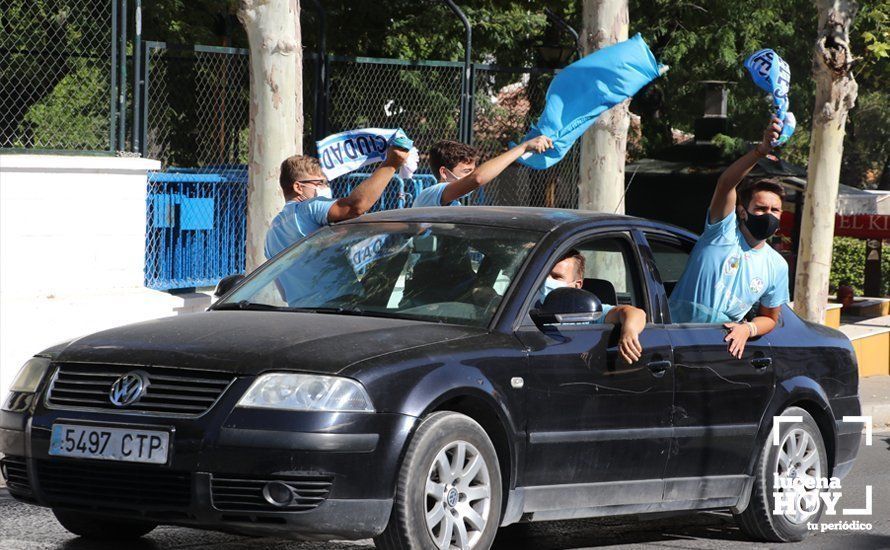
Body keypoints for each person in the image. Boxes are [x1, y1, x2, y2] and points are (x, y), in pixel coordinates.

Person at [668, 117, 789, 358]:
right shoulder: (721, 232)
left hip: (718, 349)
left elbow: (770, 318)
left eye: (774, 211)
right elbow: (725, 184)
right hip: (673, 339)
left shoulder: (777, 266)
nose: (768, 215)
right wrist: (759, 151)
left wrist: (748, 329)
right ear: (742, 211)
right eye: (761, 208)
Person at [264, 146, 409, 259]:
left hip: (298, 299)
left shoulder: (271, 236)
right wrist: (392, 163)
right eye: (319, 183)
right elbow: (355, 206)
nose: (325, 187)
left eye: (326, 183)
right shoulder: (308, 208)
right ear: (298, 187)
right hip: (337, 296)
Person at [540, 250, 648, 364]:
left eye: (556, 277)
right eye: (543, 275)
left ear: (576, 285)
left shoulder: (584, 313)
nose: (547, 281)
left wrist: (629, 331)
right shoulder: (523, 305)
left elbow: (634, 313)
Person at [412, 136, 553, 207]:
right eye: (466, 171)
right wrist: (523, 148)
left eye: (471, 171)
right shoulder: (432, 194)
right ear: (444, 172)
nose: (470, 175)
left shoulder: (455, 205)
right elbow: (477, 178)